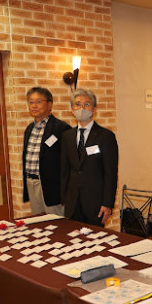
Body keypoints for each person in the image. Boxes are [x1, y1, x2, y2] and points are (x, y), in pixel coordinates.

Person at [61, 89, 119, 227]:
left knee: (96, 239)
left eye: (87, 104)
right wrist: (64, 200)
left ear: (94, 109)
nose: (82, 108)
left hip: (96, 204)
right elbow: (64, 171)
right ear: (72, 109)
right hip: (73, 203)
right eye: (77, 104)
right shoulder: (67, 136)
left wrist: (107, 204)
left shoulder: (106, 136)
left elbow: (110, 173)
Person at [22, 87, 71, 216]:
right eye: (31, 102)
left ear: (50, 104)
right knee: (38, 221)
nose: (34, 106)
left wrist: (65, 192)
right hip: (31, 182)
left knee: (56, 222)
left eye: (38, 102)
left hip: (51, 186)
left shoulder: (61, 128)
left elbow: (68, 162)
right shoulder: (29, 129)